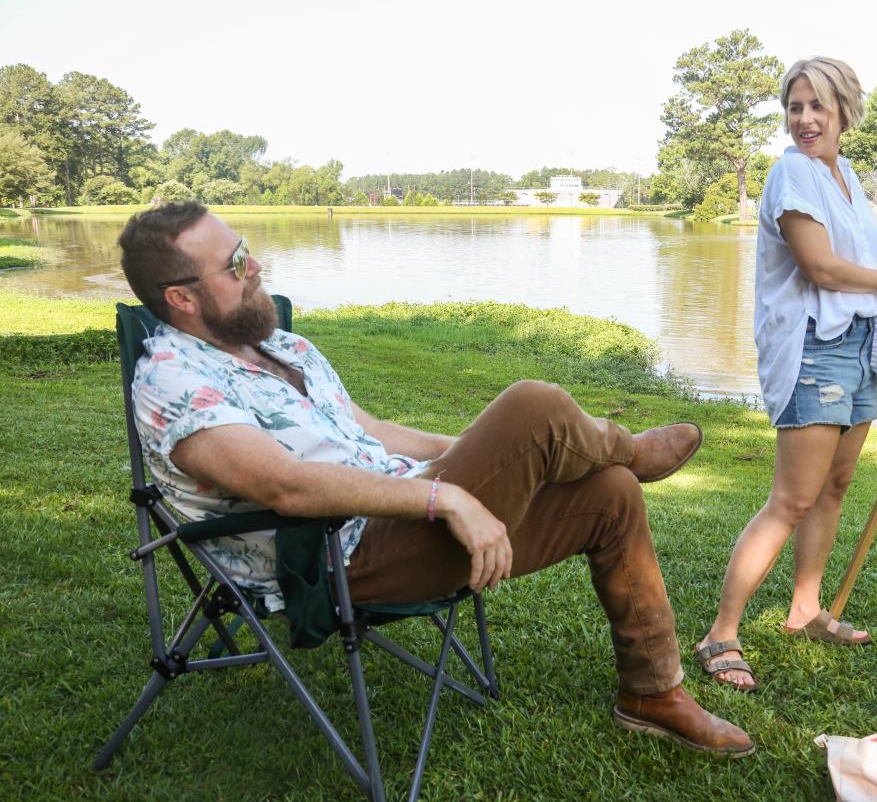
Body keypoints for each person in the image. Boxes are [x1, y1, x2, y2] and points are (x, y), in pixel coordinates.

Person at [119, 200, 753, 756]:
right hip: (340, 560)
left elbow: (371, 431)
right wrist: (444, 495)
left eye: (247, 251)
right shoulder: (174, 381)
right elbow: (285, 486)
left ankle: (652, 694)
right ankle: (631, 452)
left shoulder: (285, 348)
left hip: (408, 516)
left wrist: (503, 457)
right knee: (536, 403)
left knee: (608, 493)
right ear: (181, 297)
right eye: (235, 264)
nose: (255, 267)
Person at [696, 57, 877, 691]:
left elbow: (845, 262)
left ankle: (805, 611)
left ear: (844, 112)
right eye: (795, 107)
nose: (804, 119)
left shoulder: (844, 174)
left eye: (816, 107)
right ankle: (720, 633)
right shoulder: (791, 172)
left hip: (856, 345)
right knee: (793, 499)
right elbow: (821, 271)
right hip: (814, 350)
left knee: (835, 486)